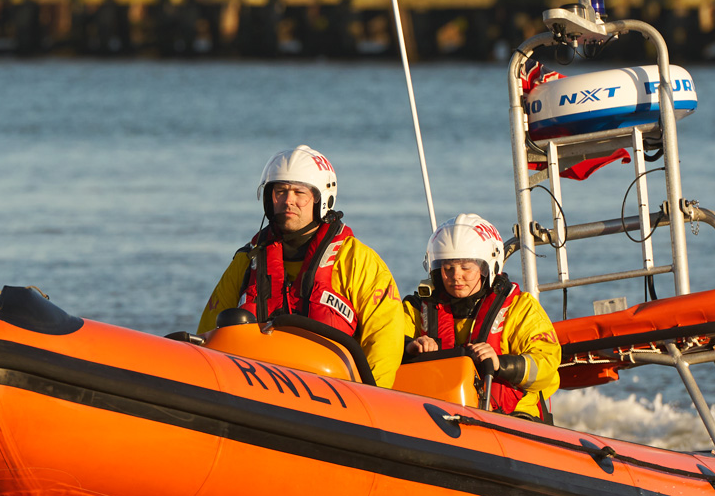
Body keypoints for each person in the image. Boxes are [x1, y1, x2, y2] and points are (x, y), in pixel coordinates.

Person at [197, 147, 404, 386]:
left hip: (335, 394)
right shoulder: (247, 261)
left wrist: (372, 396)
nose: (288, 201)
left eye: (299, 192)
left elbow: (385, 337)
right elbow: (208, 330)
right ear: (268, 198)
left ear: (322, 199)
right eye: (280, 191)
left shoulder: (357, 261)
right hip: (255, 387)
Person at [402, 213, 561, 419]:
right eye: (448, 268)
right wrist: (410, 347)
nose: (456, 275)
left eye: (466, 267)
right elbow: (385, 341)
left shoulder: (519, 308)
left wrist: (500, 364)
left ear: (490, 267)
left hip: (510, 418)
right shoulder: (417, 309)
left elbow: (547, 363)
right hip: (436, 414)